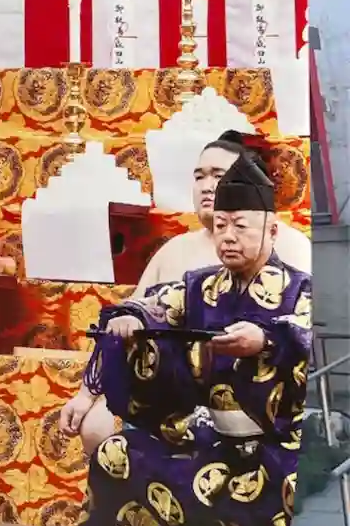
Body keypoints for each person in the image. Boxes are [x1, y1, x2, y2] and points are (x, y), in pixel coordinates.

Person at [71, 151, 312, 526]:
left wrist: (267, 340)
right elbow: (153, 306)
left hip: (276, 443)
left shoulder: (301, 290)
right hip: (207, 438)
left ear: (272, 230)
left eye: (240, 226)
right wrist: (131, 320)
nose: (228, 237)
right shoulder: (200, 286)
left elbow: (311, 332)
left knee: (299, 486)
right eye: (221, 226)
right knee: (117, 453)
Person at [60, 131, 310, 445]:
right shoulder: (179, 257)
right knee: (100, 431)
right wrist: (87, 394)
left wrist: (264, 339)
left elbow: (306, 327)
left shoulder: (291, 248)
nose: (207, 185)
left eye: (218, 175)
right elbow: (137, 312)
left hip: (264, 405)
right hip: (172, 398)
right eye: (199, 176)